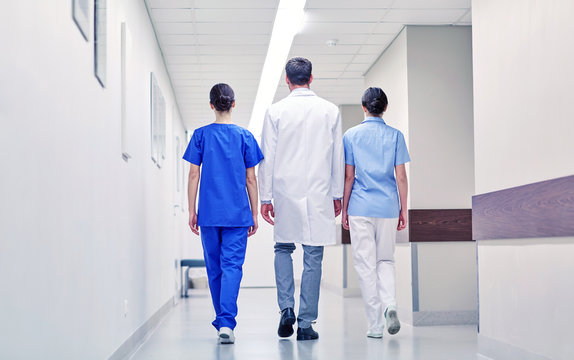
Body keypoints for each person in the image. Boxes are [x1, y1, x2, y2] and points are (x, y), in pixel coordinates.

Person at [258, 57, 344, 341]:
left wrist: (265, 197)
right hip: (319, 191)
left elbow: (267, 157)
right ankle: (306, 324)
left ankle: (286, 309)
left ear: (287, 79)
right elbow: (337, 157)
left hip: (285, 190)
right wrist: (337, 193)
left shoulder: (276, 111)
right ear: (311, 77)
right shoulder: (330, 111)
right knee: (313, 256)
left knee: (283, 248)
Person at [183, 83, 264, 344]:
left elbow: (194, 174)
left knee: (214, 268)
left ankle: (223, 321)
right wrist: (254, 213)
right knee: (232, 267)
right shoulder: (245, 136)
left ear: (211, 105)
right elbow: (251, 179)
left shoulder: (200, 135)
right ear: (233, 104)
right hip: (238, 214)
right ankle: (226, 322)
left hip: (208, 213)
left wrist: (191, 210)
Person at [341, 87, 410, 339]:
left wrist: (345, 209)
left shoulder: (351, 135)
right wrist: (403, 209)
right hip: (388, 207)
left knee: (365, 265)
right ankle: (390, 304)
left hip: (360, 206)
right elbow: (400, 177)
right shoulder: (395, 136)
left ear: (363, 107)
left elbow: (349, 176)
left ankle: (375, 325)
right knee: (386, 260)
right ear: (385, 108)